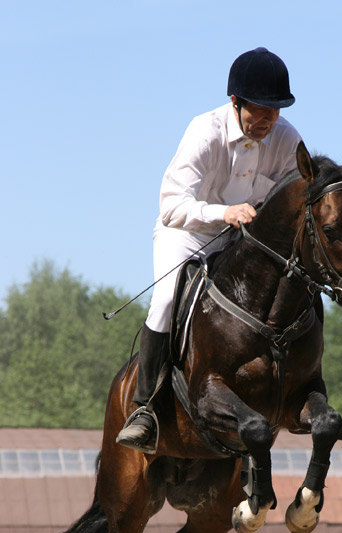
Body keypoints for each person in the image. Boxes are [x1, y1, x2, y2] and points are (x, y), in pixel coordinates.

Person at [117, 47, 300, 454]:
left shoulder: (286, 138)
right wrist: (223, 212)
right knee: (165, 300)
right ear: (235, 102)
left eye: (276, 111)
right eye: (262, 110)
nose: (270, 120)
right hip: (187, 234)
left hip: (240, 245)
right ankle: (145, 407)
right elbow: (171, 205)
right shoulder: (205, 130)